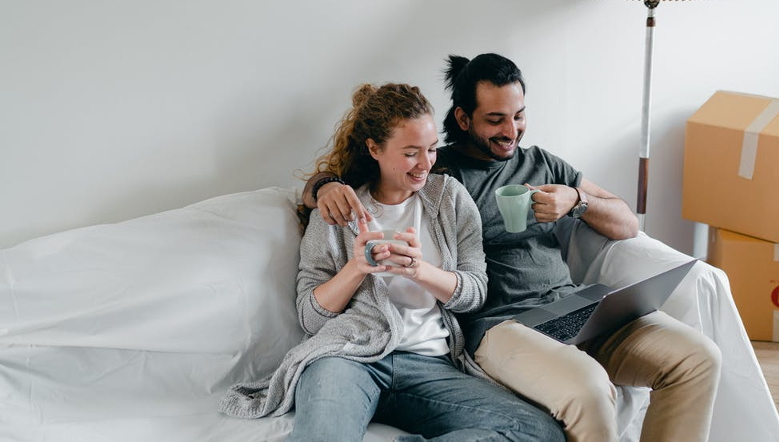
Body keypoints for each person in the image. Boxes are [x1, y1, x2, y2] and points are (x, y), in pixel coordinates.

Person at [304, 55, 722, 442]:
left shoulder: (542, 163)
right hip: (503, 326)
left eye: (518, 116)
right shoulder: (440, 174)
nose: (510, 130)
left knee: (698, 357)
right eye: (495, 119)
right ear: (464, 119)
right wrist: (324, 187)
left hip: (573, 308)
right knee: (589, 389)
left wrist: (577, 201)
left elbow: (627, 223)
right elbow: (356, 179)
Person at [220, 83, 565, 442]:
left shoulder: (449, 199)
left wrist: (420, 271)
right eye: (411, 153)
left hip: (431, 365)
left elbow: (475, 293)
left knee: (538, 431)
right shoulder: (338, 208)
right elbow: (311, 317)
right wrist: (356, 269)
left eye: (431, 150)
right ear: (374, 149)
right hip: (348, 358)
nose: (425, 164)